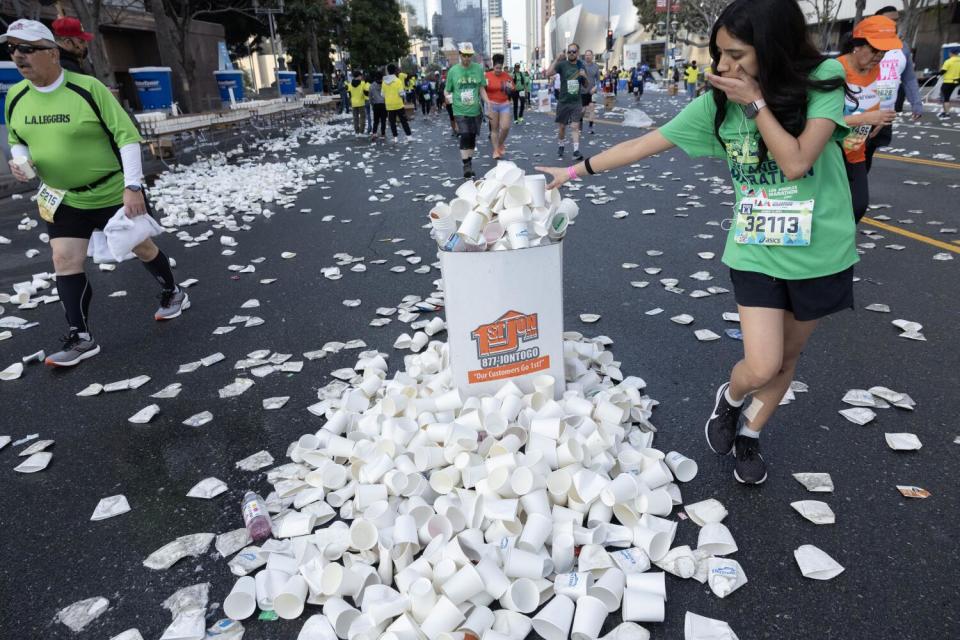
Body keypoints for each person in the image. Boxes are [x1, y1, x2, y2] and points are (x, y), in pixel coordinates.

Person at [537, 0, 858, 485]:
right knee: (763, 362)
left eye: (736, 54)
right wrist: (573, 171)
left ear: (772, 48)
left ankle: (751, 432)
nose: (724, 66)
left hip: (821, 250)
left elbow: (796, 161)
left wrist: (756, 103)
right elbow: (644, 143)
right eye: (719, 54)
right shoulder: (717, 104)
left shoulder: (823, 80)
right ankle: (729, 400)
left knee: (787, 361)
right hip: (757, 249)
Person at [3, 19, 190, 367]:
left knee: (142, 247)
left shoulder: (88, 88)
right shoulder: (16, 97)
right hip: (63, 197)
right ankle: (81, 338)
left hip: (111, 192)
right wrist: (20, 160)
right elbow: (17, 140)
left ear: (52, 53)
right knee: (64, 260)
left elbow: (127, 137)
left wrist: (132, 187)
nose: (18, 56)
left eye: (27, 49)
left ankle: (173, 292)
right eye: (12, 48)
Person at [839, 16, 901, 223]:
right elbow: (820, 120)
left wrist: (876, 122)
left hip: (856, 150)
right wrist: (867, 117)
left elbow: (875, 104)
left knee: (858, 206)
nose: (879, 57)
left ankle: (840, 249)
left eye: (883, 52)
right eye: (875, 50)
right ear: (857, 45)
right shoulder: (834, 69)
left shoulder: (878, 72)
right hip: (828, 153)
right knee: (829, 209)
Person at [867, 5, 923, 170]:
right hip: (863, 110)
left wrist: (916, 103)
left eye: (896, 20)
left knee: (869, 152)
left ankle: (857, 189)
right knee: (854, 154)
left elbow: (909, 78)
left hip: (886, 112)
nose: (894, 24)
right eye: (889, 20)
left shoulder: (902, 47)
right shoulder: (864, 44)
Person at [444, 42, 488, 178]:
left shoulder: (478, 69)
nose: (467, 58)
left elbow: (481, 88)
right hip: (459, 109)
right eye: (464, 55)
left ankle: (469, 162)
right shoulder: (453, 71)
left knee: (472, 137)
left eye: (469, 56)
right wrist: (448, 98)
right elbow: (447, 90)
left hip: (475, 110)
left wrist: (488, 102)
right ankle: (466, 165)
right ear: (460, 55)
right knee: (465, 134)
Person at [545, 43, 586, 159]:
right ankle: (561, 145)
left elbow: (586, 84)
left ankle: (576, 150)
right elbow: (548, 73)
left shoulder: (581, 66)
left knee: (575, 126)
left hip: (576, 101)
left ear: (577, 53)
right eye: (569, 51)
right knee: (562, 127)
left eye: (574, 51)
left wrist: (585, 78)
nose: (571, 53)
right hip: (563, 101)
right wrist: (556, 59)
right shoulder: (562, 65)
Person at [484, 53, 514, 159]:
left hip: (504, 104)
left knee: (505, 127)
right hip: (492, 104)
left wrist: (510, 88)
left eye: (500, 68)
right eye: (496, 68)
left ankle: (500, 144)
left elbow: (512, 90)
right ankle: (496, 150)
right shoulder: (486, 76)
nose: (498, 70)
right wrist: (486, 106)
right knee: (494, 129)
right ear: (493, 66)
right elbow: (482, 90)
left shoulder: (507, 76)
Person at [383, 64, 412, 143]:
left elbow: (382, 94)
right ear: (395, 70)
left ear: (388, 71)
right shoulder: (398, 81)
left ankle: (395, 138)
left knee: (392, 122)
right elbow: (401, 94)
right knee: (403, 121)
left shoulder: (384, 82)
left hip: (389, 105)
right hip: (398, 104)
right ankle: (408, 136)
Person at [580, 50, 601, 135]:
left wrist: (596, 87)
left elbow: (599, 80)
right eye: (586, 55)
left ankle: (590, 127)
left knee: (592, 108)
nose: (587, 56)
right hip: (582, 91)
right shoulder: (581, 66)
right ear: (584, 56)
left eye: (589, 55)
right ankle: (580, 122)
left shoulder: (596, 67)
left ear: (592, 56)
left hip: (592, 92)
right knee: (582, 110)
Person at [938, 48, 960, 118]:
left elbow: (943, 71)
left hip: (948, 82)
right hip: (956, 82)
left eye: (950, 53)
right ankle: (945, 111)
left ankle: (946, 113)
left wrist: (936, 74)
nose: (949, 54)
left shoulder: (948, 61)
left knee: (945, 97)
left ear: (952, 53)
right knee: (947, 96)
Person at [346, 70, 368, 134]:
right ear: (358, 76)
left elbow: (349, 93)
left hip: (353, 103)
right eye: (360, 76)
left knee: (355, 118)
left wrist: (351, 100)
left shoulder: (349, 85)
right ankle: (361, 132)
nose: (361, 77)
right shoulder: (363, 83)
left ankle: (356, 132)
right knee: (362, 118)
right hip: (361, 103)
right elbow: (366, 92)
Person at [437, 70, 458, 136]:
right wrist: (443, 101)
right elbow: (440, 93)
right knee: (452, 117)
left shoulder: (456, 81)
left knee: (458, 115)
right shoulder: (443, 83)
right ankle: (454, 130)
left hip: (457, 101)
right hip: (448, 102)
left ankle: (458, 129)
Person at [368, 70, 387, 142]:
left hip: (376, 105)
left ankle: (374, 133)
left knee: (376, 120)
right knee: (383, 120)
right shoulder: (385, 84)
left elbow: (370, 97)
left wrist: (372, 104)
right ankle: (383, 134)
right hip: (384, 104)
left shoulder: (372, 85)